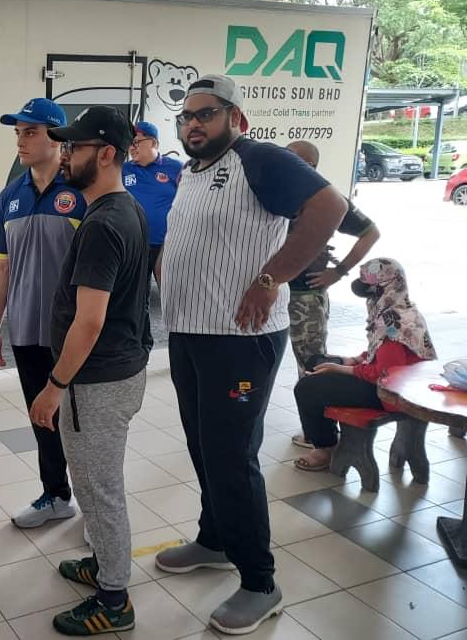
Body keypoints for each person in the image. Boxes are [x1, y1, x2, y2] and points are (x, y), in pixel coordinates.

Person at [155, 75, 347, 635]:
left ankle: (261, 583)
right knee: (203, 445)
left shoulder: (258, 159)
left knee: (231, 456)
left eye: (206, 113)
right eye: (186, 116)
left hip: (239, 341)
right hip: (191, 333)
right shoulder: (192, 171)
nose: (193, 124)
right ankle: (215, 539)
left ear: (236, 118)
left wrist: (271, 278)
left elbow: (329, 207)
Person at [28, 106, 151, 636]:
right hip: (118, 371)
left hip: (95, 382)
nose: (65, 156)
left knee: (98, 489)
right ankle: (103, 562)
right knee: (99, 482)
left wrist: (54, 386)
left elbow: (90, 320)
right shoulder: (126, 208)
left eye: (74, 148)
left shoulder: (103, 223)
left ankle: (114, 598)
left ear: (104, 154)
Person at [0, 97, 85, 529]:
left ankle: (97, 511)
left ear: (57, 138)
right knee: (42, 417)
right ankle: (56, 495)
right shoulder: (11, 196)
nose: (21, 141)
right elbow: (1, 266)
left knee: (82, 424)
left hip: (75, 332)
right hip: (27, 330)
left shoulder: (81, 191)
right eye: (18, 133)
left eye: (31, 132)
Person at [293, 258, 436, 471]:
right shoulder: (399, 307)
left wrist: (341, 368)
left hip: (393, 394)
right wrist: (352, 360)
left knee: (307, 388)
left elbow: (385, 374)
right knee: (316, 363)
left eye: (368, 282)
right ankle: (327, 437)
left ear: (385, 284)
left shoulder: (392, 321)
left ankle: (325, 448)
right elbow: (382, 353)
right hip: (393, 384)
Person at [285, 140, 380, 448]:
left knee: (312, 364)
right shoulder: (276, 191)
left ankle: (320, 436)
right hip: (270, 292)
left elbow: (370, 232)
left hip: (305, 296)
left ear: (311, 166)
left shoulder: (326, 196)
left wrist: (338, 271)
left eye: (295, 159)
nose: (287, 164)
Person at [121, 120, 182, 283]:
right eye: (130, 143)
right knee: (137, 294)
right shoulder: (123, 169)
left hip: (166, 245)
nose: (132, 147)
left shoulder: (176, 168)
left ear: (153, 143)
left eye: (136, 142)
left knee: (169, 290)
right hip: (135, 245)